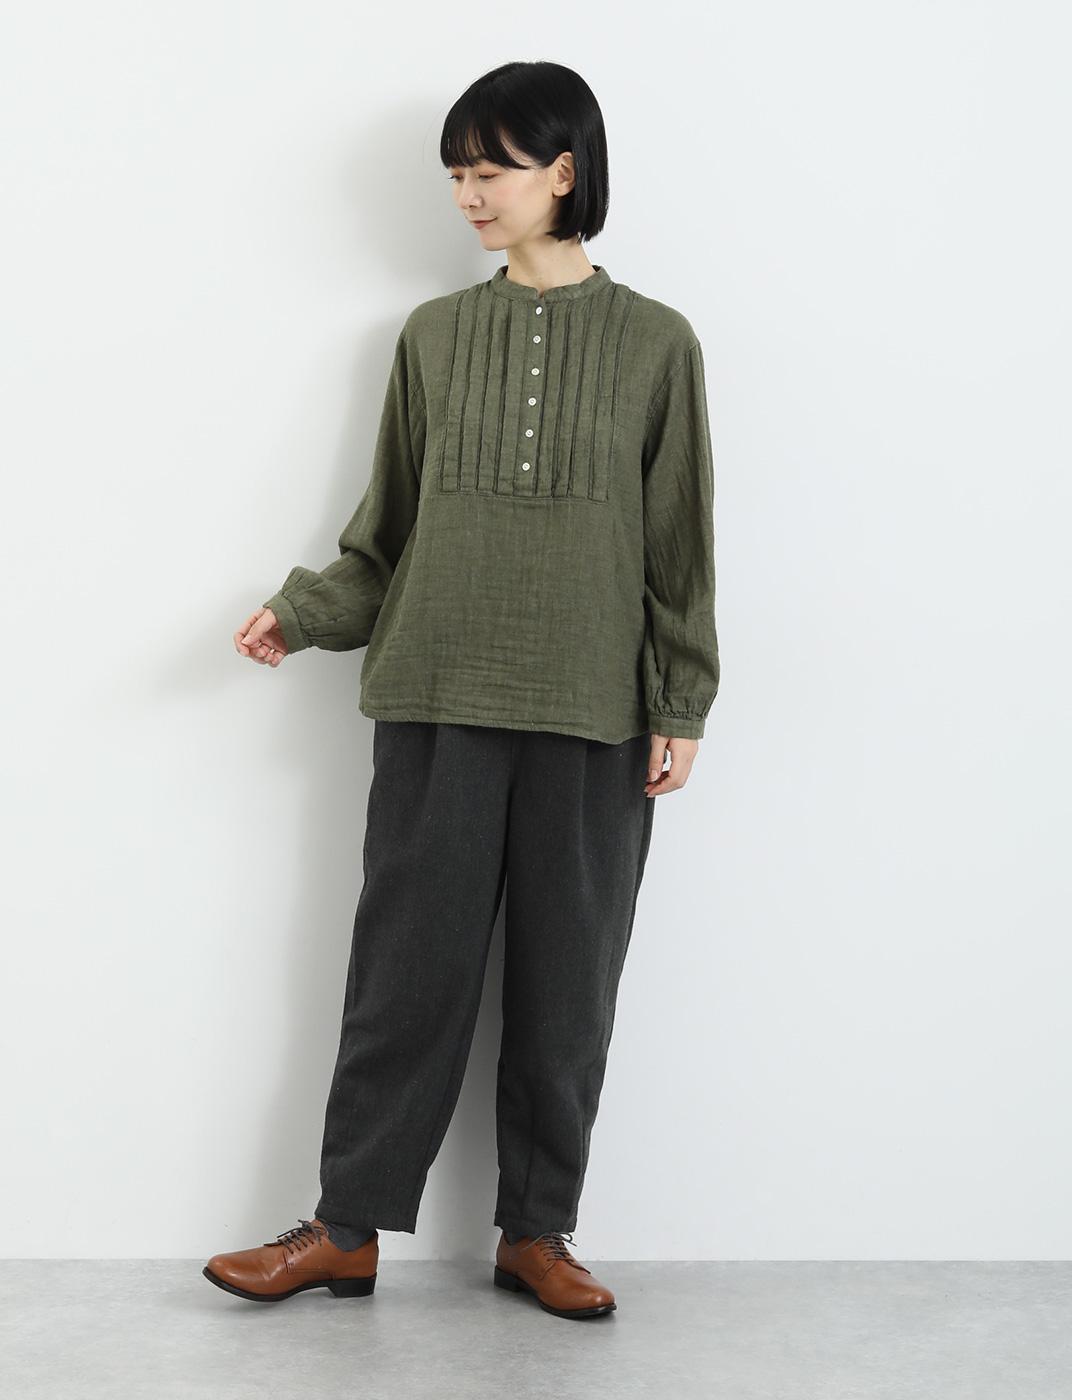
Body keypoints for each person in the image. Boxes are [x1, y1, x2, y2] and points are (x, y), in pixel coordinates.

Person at [205, 59, 720, 1322]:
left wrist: (681, 700)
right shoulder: (433, 337)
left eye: (491, 168)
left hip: (593, 712)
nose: (469, 194)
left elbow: (679, 546)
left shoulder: (659, 342)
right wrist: (305, 611)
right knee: (406, 975)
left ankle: (537, 1231)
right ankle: (344, 1226)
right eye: (456, 173)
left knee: (568, 986)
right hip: (437, 696)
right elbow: (388, 533)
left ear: (565, 172)